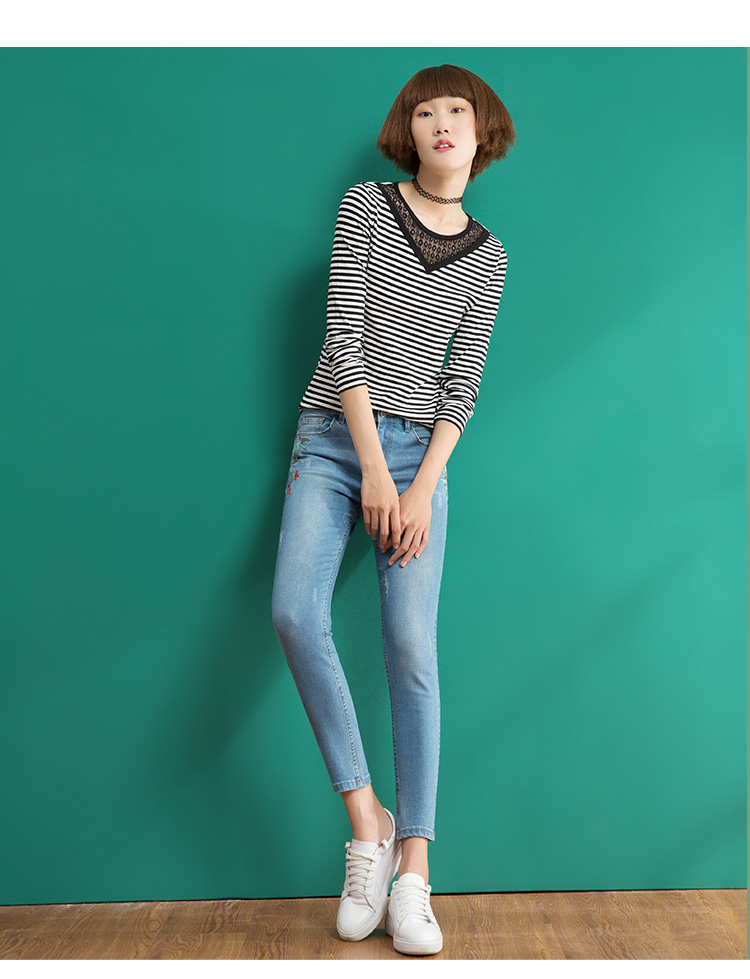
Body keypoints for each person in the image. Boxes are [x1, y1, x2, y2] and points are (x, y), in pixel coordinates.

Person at [271, 63, 515, 956]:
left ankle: (414, 869)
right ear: (406, 132)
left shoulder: (489, 255)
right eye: (425, 111)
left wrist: (417, 485)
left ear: (482, 131)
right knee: (293, 612)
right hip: (336, 441)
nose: (441, 121)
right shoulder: (366, 208)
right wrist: (374, 470)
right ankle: (366, 821)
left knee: (412, 647)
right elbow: (344, 336)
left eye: (457, 109)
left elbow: (462, 384)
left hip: (422, 462)